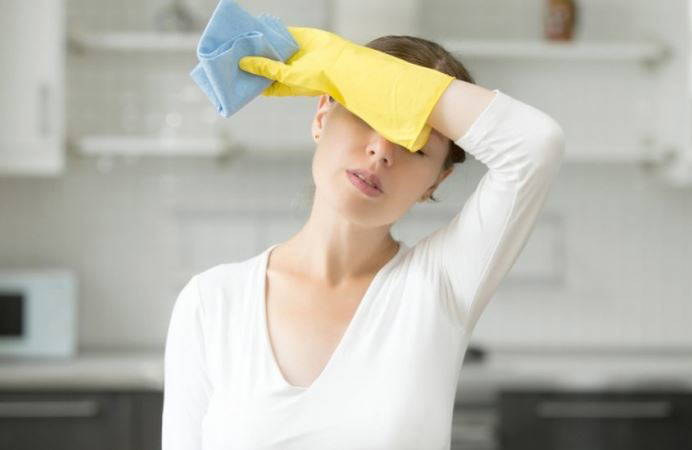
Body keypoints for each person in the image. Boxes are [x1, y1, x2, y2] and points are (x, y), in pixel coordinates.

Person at [162, 27, 565, 450]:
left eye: (415, 144)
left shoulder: (439, 286)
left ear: (436, 182)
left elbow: (536, 145)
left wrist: (341, 63)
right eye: (368, 115)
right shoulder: (210, 303)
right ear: (322, 115)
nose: (382, 151)